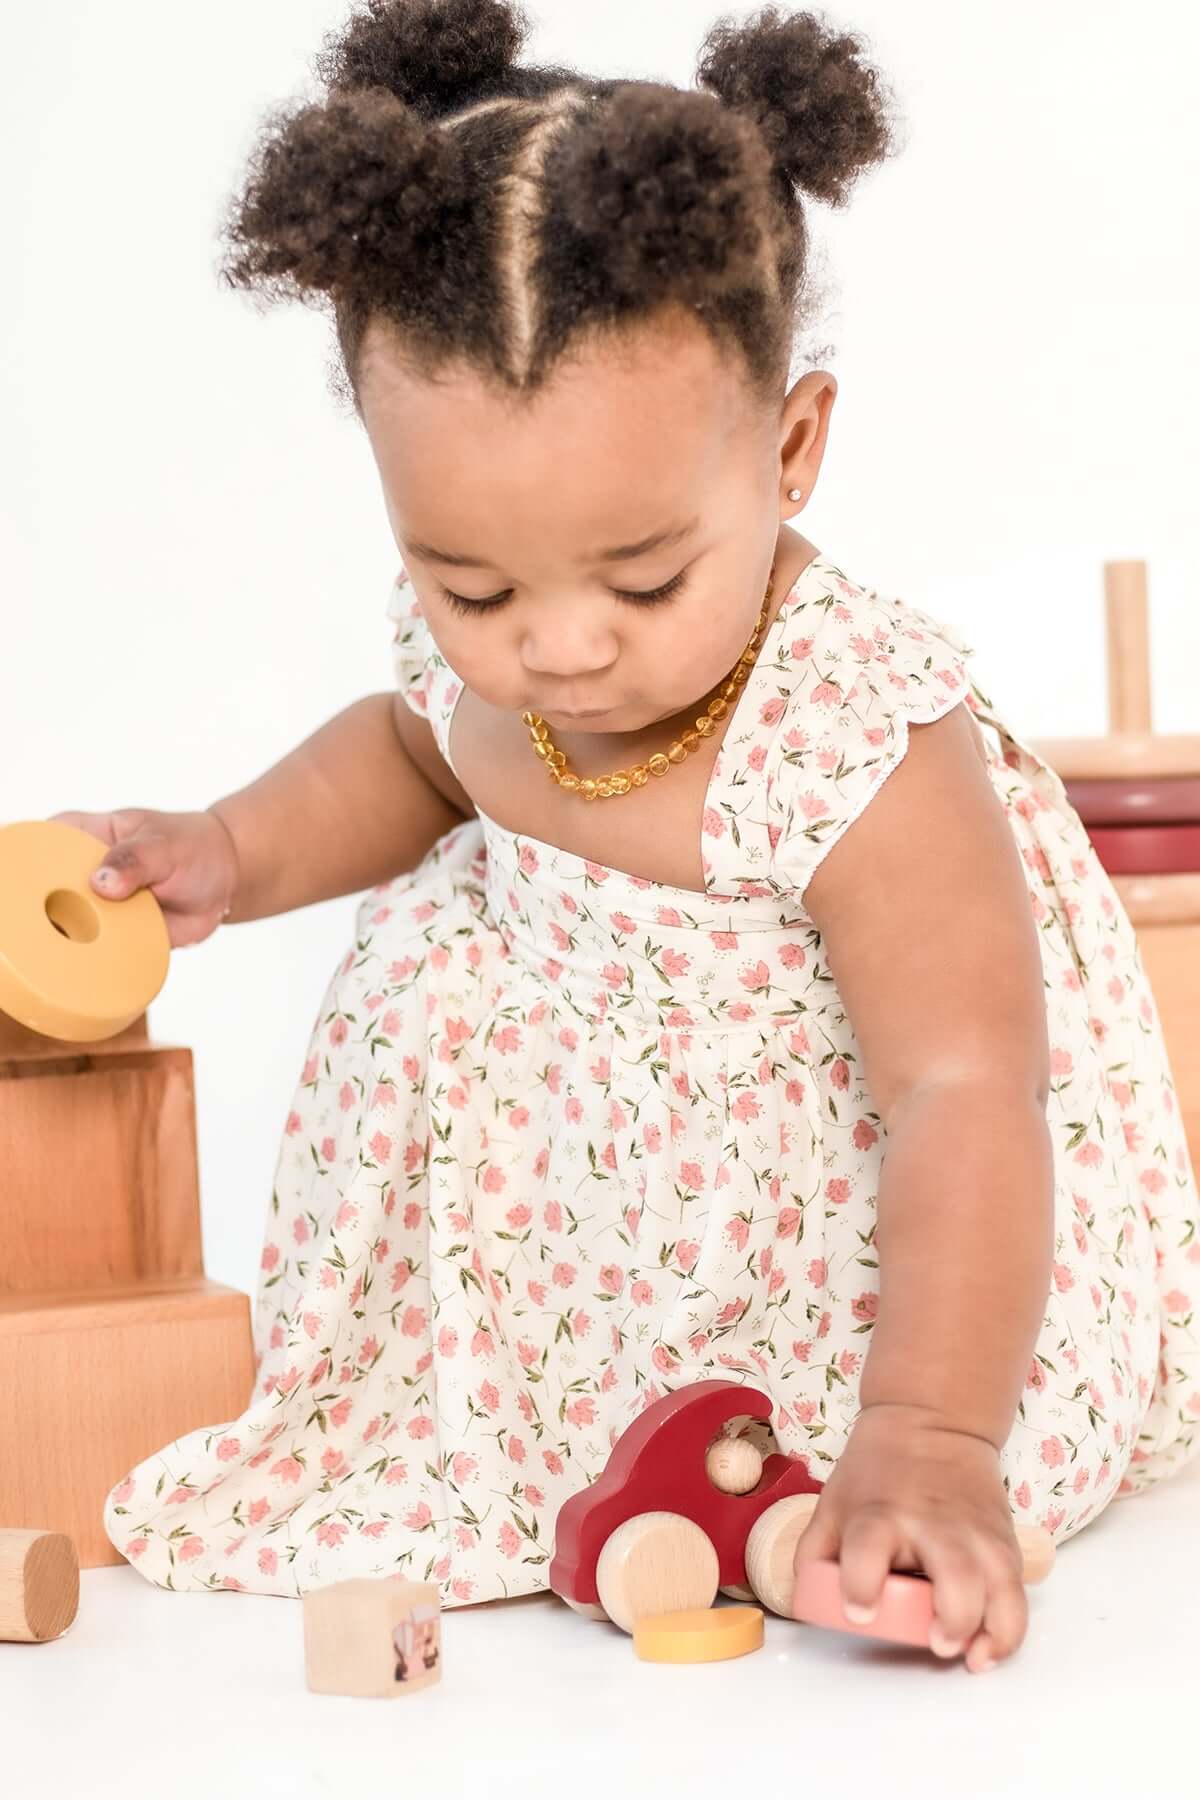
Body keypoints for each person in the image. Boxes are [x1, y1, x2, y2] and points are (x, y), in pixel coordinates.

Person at [54, 0, 1198, 1675]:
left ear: (792, 450)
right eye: (472, 586)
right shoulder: (488, 671)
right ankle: (552, 1443)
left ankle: (824, 1464)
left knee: (839, 1451)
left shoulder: (854, 729)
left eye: (646, 578)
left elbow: (967, 1086)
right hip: (550, 1270)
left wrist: (938, 1428)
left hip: (858, 1284)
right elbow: (410, 750)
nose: (559, 650)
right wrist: (234, 845)